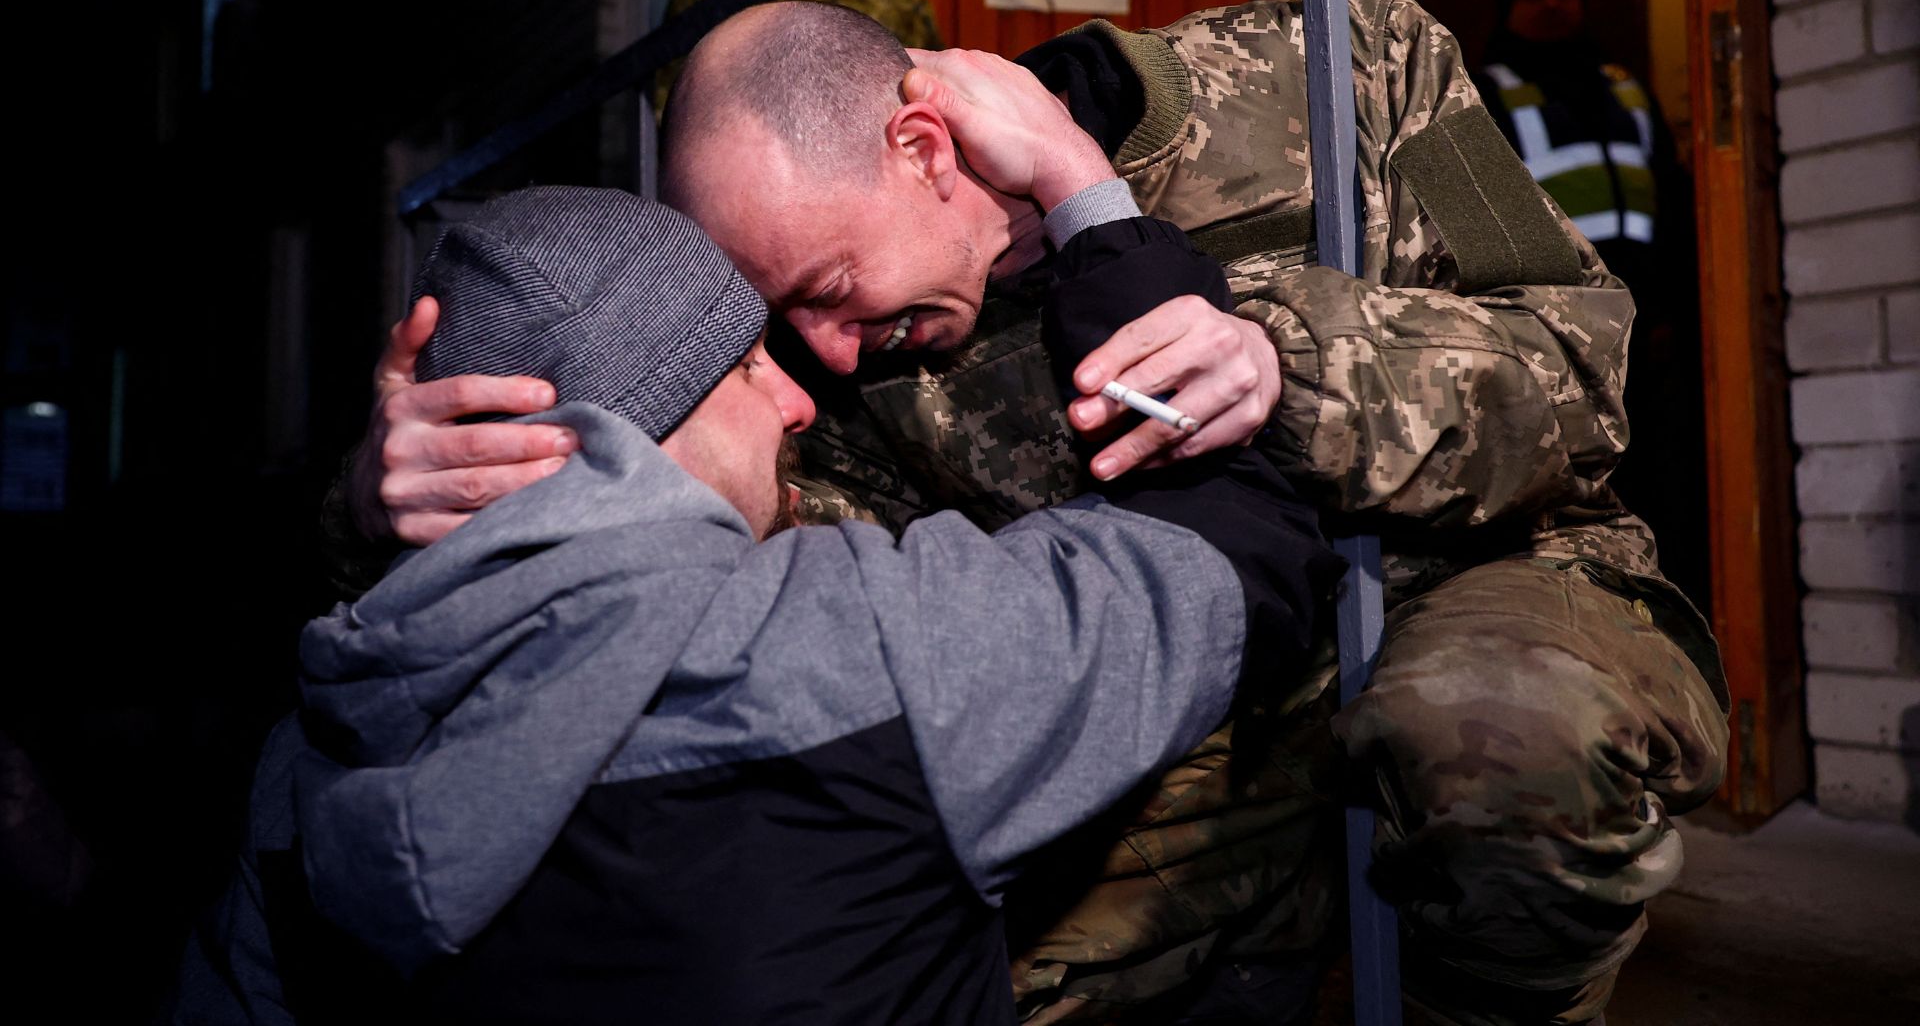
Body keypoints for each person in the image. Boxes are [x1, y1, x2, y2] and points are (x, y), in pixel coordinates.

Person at [341, 0, 1731, 1026]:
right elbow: (715, 616)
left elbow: (1584, 370)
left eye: (826, 288)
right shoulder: (858, 354)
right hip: (1175, 681)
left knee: (1494, 745)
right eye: (782, 319)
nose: (820, 356)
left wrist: (1280, 361)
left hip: (1474, 578)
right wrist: (401, 502)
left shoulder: (1346, 63)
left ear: (922, 143)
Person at [174, 186, 1345, 1024]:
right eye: (740, 365)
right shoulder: (856, 644)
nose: (797, 400)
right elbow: (1245, 551)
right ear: (629, 433)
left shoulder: (307, 763)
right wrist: (1092, 205)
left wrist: (360, 520)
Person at [1475, 0, 1709, 606]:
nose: (1553, 4)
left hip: (1648, 323)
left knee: (1659, 481)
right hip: (1553, 326)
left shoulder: (1625, 87)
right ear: (1510, 11)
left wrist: (1671, 310)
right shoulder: (1485, 88)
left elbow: (1674, 200)